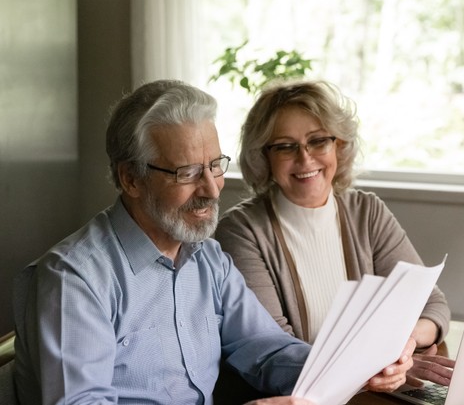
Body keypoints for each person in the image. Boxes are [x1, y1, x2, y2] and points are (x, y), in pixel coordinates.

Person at [11, 80, 412, 405]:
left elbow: (266, 349)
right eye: (187, 172)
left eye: (215, 166)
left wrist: (355, 366)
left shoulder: (207, 258)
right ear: (131, 178)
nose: (211, 189)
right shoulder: (74, 279)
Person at [215, 79, 455, 387]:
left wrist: (404, 347)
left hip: (377, 388)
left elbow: (432, 305)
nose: (305, 159)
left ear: (338, 145)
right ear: (264, 156)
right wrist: (375, 363)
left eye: (318, 141)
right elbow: (274, 352)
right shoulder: (241, 231)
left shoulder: (367, 212)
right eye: (286, 146)